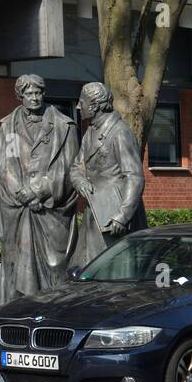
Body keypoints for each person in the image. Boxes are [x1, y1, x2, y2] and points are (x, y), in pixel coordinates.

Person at [0, 73, 80, 301]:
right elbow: (5, 166)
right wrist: (21, 193)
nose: (34, 98)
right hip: (18, 208)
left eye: (38, 93)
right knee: (17, 264)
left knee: (55, 268)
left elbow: (68, 168)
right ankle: (17, 310)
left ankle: (53, 307)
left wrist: (38, 191)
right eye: (29, 93)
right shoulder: (8, 127)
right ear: (20, 96)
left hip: (51, 208)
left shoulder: (64, 126)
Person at [68, 81, 146, 271]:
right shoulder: (90, 132)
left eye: (82, 102)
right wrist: (80, 182)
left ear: (94, 106)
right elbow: (76, 166)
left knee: (115, 269)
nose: (78, 107)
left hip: (114, 215)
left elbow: (134, 176)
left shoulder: (120, 131)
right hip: (94, 212)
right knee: (88, 267)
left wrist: (123, 215)